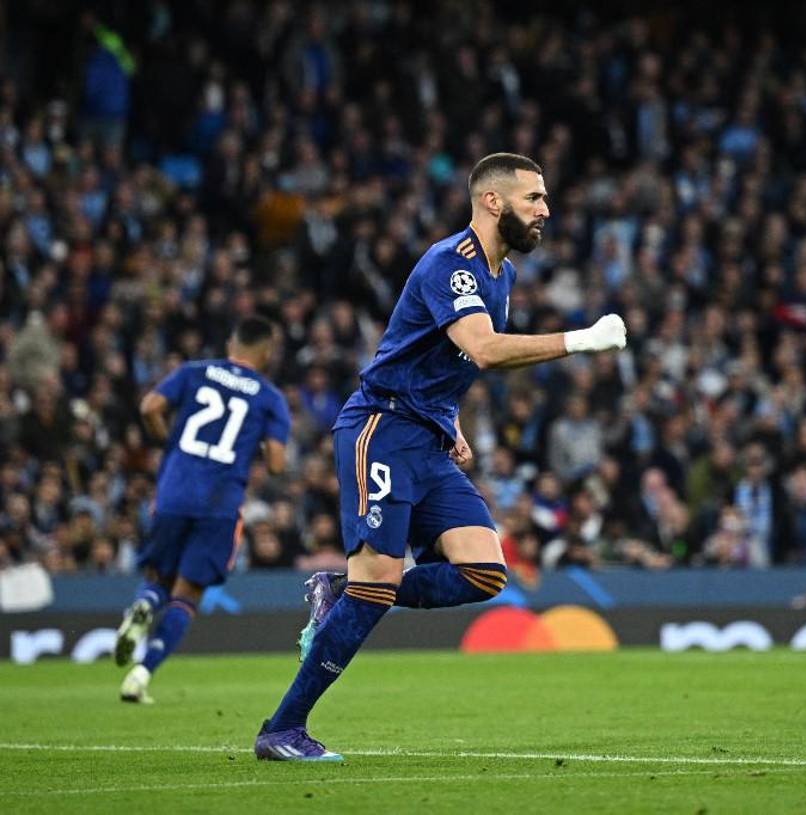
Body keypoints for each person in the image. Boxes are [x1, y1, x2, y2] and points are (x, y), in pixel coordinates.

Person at [254, 153, 626, 761]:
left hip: (427, 438)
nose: (545, 211)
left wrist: (448, 419)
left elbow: (439, 358)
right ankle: (283, 728)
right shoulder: (448, 264)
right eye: (533, 198)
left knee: (484, 572)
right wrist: (580, 340)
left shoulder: (499, 275)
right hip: (382, 429)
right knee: (376, 588)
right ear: (492, 201)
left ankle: (338, 588)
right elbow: (480, 349)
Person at [114, 316, 290, 703]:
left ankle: (144, 605)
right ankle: (140, 676)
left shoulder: (195, 371)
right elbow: (277, 464)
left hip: (174, 493)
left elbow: (149, 407)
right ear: (266, 351)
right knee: (186, 594)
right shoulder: (269, 397)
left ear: (232, 343)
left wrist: (171, 444)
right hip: (220, 503)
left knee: (159, 578)